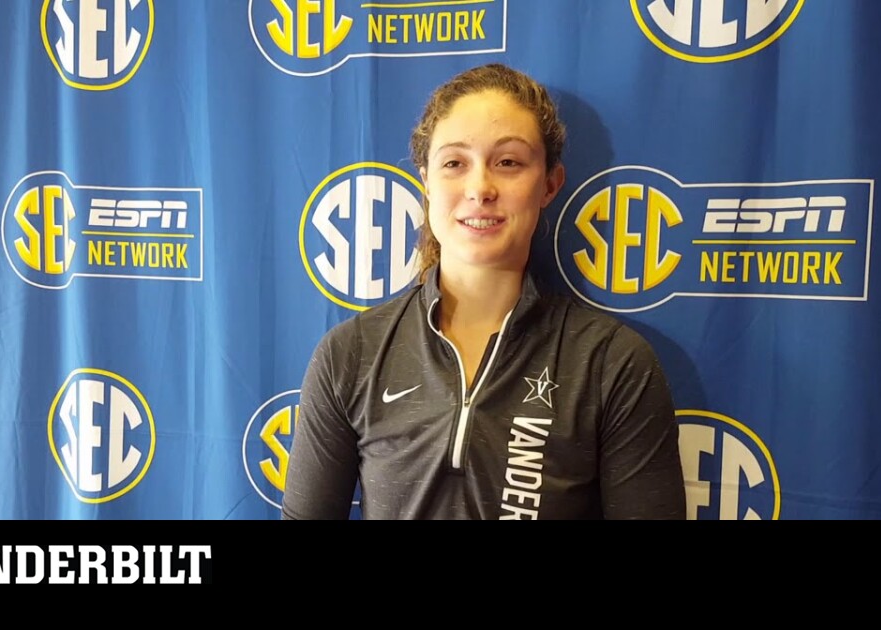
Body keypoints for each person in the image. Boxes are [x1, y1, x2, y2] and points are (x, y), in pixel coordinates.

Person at [282, 63, 686, 519]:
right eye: (454, 163)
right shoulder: (352, 354)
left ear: (550, 184)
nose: (480, 188)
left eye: (509, 162)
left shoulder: (611, 362)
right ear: (427, 182)